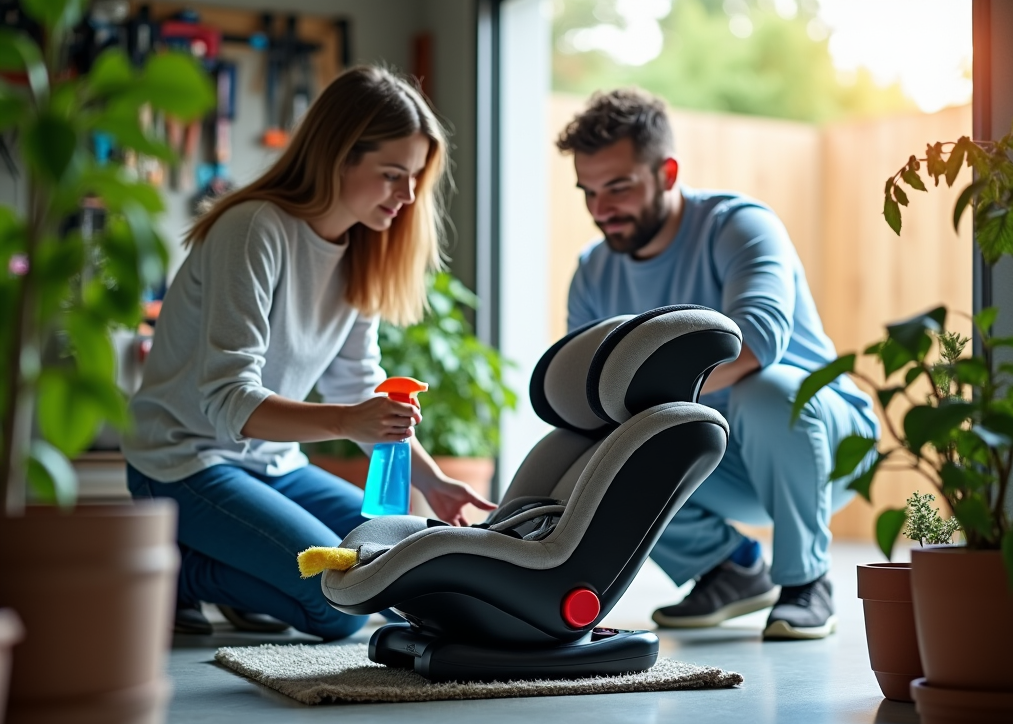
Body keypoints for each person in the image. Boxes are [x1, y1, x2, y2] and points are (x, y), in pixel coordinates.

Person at [123, 66, 495, 640]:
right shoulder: (254, 230)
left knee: (412, 571)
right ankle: (181, 574)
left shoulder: (361, 251)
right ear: (338, 157)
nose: (409, 195)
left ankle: (252, 574)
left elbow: (357, 387)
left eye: (415, 177)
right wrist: (351, 421)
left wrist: (436, 482)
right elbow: (229, 401)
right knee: (335, 604)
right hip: (185, 461)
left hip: (275, 465)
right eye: (392, 175)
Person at [556, 88, 880, 640]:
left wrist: (645, 395)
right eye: (588, 192)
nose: (600, 210)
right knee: (600, 440)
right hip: (721, 459)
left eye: (618, 187)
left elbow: (759, 339)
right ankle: (728, 568)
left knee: (765, 389)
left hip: (824, 443)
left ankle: (807, 582)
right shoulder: (593, 271)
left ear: (666, 172)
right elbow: (588, 390)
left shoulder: (739, 225)